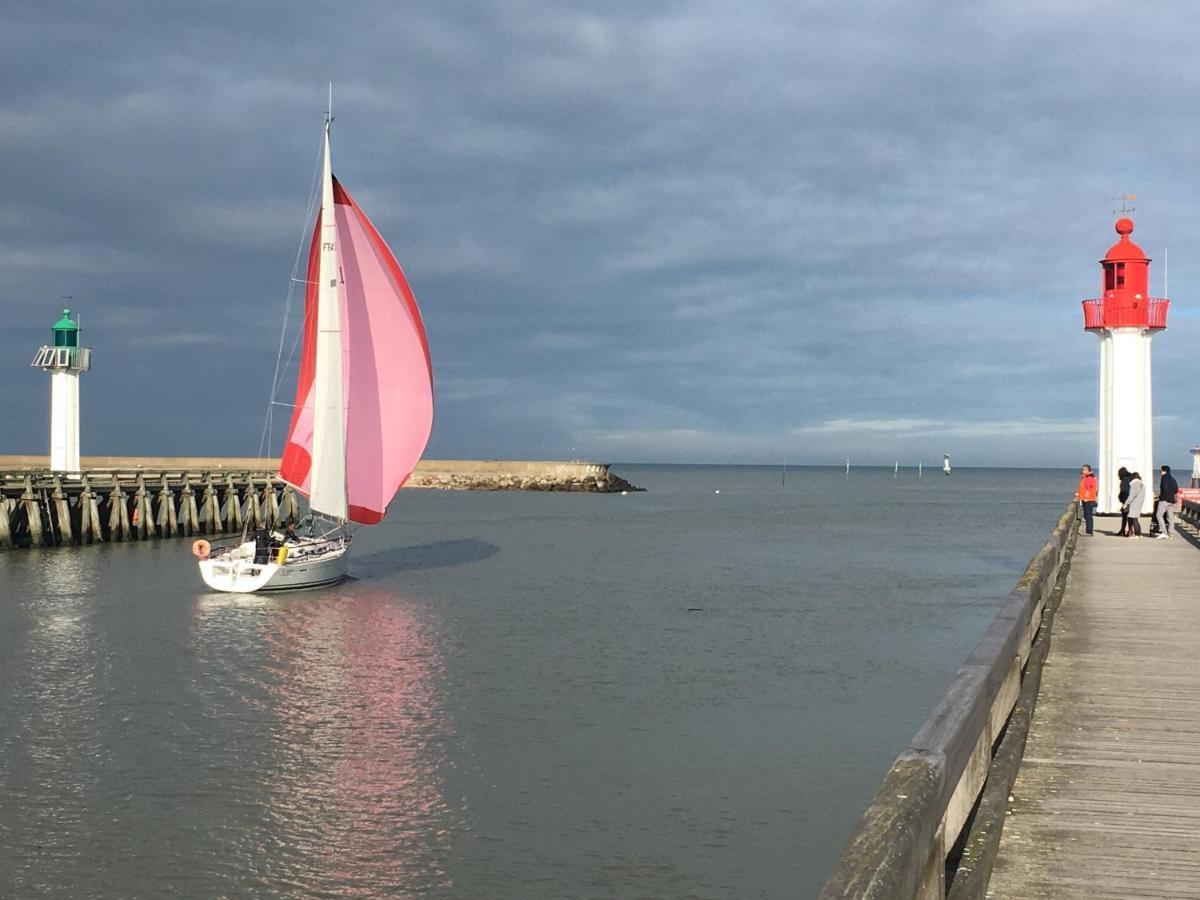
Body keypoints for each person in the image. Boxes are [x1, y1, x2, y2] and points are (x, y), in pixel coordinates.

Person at [1156, 465, 1179, 539]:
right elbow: (1176, 490)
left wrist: (1161, 498)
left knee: (1159, 515)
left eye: (1161, 471)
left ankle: (1164, 532)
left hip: (1165, 500)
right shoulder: (1173, 479)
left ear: (1164, 471)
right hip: (1171, 501)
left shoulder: (1164, 479)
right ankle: (1170, 533)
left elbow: (1164, 490)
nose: (1160, 472)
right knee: (1170, 517)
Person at [1076, 464, 1098, 535]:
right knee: (1087, 515)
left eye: (1084, 469)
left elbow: (1089, 488)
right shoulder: (1087, 477)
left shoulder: (1089, 477)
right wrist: (1078, 494)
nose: (1082, 471)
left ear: (1088, 470)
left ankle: (1089, 531)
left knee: (1088, 515)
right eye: (1082, 469)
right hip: (1088, 499)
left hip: (1088, 499)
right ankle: (1088, 530)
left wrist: (1086, 497)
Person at [1124, 472, 1145, 537]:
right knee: (1136, 518)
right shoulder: (1142, 484)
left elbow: (1131, 495)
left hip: (1134, 503)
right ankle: (1139, 534)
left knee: (1134, 519)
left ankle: (1137, 534)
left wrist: (1126, 503)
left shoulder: (1134, 484)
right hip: (1140, 503)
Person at [1116, 467, 1132, 535]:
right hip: (1131, 500)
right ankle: (1129, 530)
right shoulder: (1131, 479)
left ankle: (1124, 530)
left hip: (1126, 500)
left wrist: (1121, 499)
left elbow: (1124, 491)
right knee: (1130, 516)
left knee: (1125, 516)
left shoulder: (1124, 480)